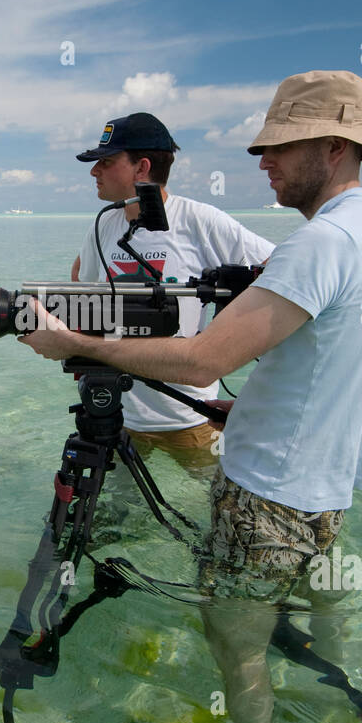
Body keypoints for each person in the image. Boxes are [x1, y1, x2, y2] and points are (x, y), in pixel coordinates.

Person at [20, 71, 362, 723]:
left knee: (240, 657)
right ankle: (346, 721)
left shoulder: (319, 242)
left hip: (265, 496)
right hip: (318, 493)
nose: (262, 162)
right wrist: (252, 407)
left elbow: (204, 356)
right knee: (314, 604)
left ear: (334, 149)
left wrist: (75, 343)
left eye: (279, 147)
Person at [69, 111, 273, 469]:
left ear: (141, 167)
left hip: (191, 417)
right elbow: (82, 281)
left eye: (106, 161)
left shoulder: (199, 220)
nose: (93, 171)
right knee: (115, 515)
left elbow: (278, 269)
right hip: (118, 415)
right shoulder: (103, 225)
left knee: (208, 514)